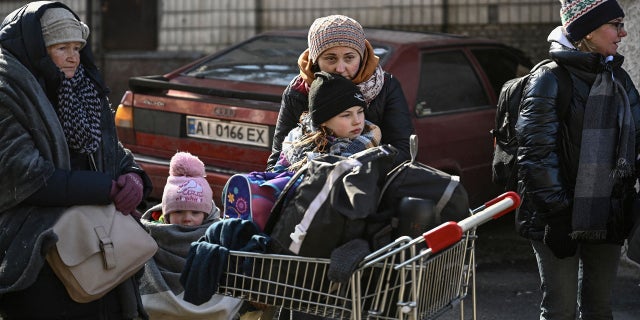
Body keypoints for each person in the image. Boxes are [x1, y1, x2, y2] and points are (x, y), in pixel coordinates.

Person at [0, 2, 153, 319]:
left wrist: (133, 176)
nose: (73, 57)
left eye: (77, 47)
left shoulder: (83, 88)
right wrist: (105, 189)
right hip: (39, 252)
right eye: (61, 48)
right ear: (38, 51)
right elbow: (25, 174)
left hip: (98, 242)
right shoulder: (8, 93)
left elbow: (112, 149)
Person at [515, 0, 640, 319]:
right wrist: (558, 216)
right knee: (560, 311)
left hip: (607, 214)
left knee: (600, 308)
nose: (623, 32)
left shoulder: (619, 79)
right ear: (587, 30)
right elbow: (535, 155)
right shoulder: (549, 79)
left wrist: (625, 203)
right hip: (556, 217)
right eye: (615, 24)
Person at [266, 14, 412, 171]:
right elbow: (278, 157)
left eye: (349, 58)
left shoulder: (385, 86)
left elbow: (403, 151)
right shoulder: (298, 91)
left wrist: (350, 171)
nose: (340, 68)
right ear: (316, 61)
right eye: (331, 59)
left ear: (362, 58)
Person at [139, 151, 244, 319]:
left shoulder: (221, 236)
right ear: (165, 215)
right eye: (178, 211)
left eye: (195, 212)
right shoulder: (149, 236)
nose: (187, 218)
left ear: (206, 214)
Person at [272, 71, 381, 173]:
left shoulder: (371, 138)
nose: (357, 121)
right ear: (323, 120)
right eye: (346, 115)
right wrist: (362, 146)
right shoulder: (297, 146)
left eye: (360, 112)